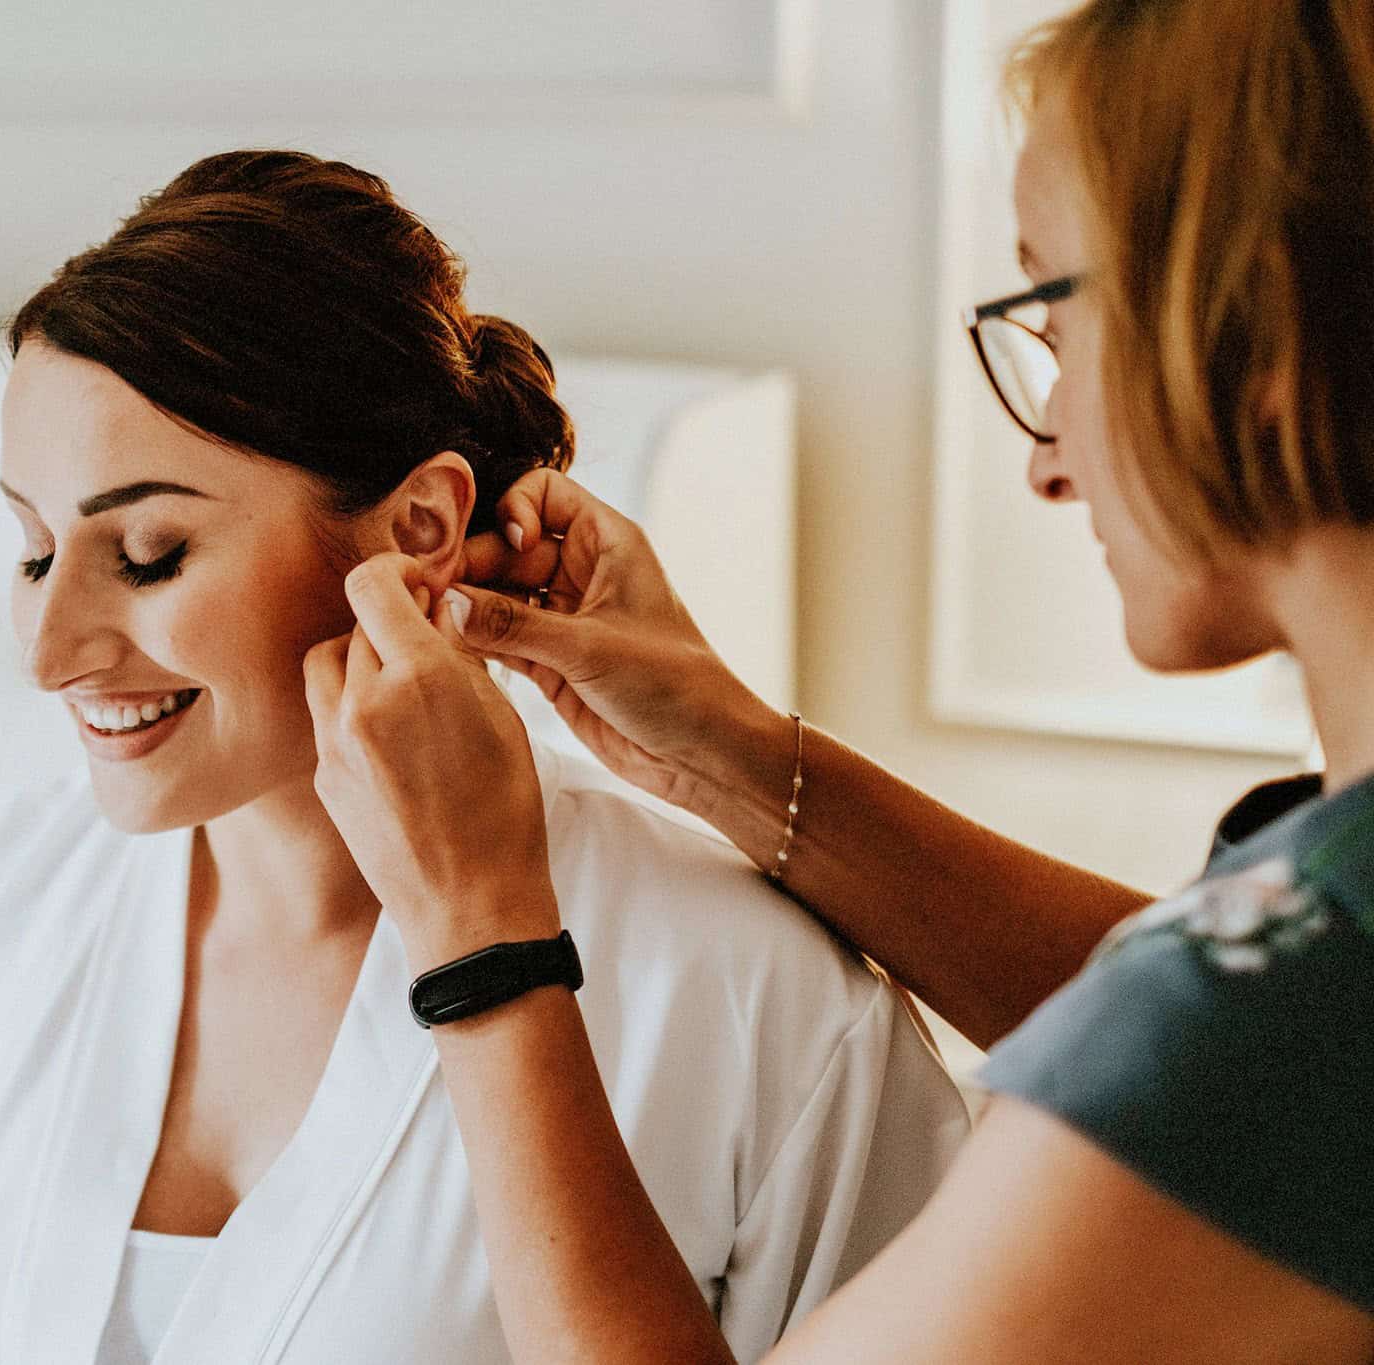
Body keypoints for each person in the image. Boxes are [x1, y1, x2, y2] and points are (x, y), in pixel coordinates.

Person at [305, 1, 1374, 1360]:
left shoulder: (1278, 1003)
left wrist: (479, 938)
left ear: (1254, 335)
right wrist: (732, 753)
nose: (1045, 459)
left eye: (1053, 323)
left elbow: (1241, 1065)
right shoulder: (1305, 968)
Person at [0, 150, 969, 1363]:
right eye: (33, 552)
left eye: (147, 554)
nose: (49, 656)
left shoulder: (747, 995)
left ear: (417, 527)